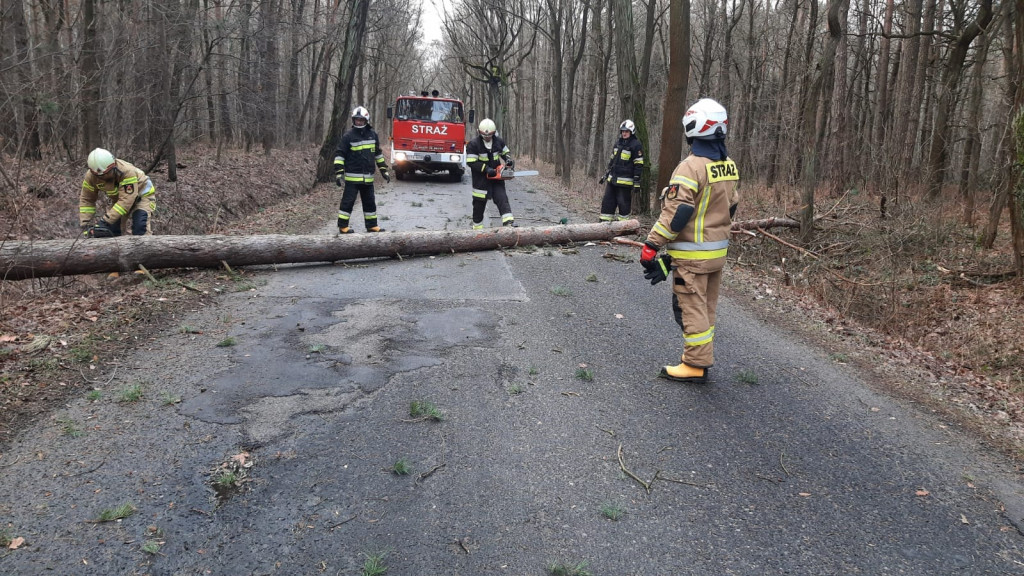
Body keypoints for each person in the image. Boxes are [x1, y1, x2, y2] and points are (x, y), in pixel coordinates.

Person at [640, 98, 739, 383]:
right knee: (706, 308)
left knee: (690, 307)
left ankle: (695, 364)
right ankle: (700, 357)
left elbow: (677, 212)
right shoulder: (728, 165)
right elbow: (731, 205)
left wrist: (652, 245)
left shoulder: (690, 167)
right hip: (717, 253)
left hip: (693, 258)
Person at [333, 106, 390, 234]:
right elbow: (340, 154)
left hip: (368, 178)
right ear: (353, 120)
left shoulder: (372, 135)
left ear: (366, 120)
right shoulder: (348, 136)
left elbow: (378, 155)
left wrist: (384, 171)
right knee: (347, 203)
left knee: (370, 203)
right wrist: (339, 172)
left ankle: (372, 226)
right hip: (352, 178)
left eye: (361, 120)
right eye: (356, 120)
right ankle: (343, 226)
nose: (359, 122)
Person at [79, 148, 156, 237]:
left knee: (140, 227)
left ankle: (146, 248)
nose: (110, 174)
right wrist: (86, 224)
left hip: (142, 196)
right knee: (111, 230)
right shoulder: (91, 177)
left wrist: (105, 221)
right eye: (105, 174)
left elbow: (126, 200)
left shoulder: (126, 171)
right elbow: (87, 200)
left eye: (111, 171)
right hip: (119, 199)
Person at [465, 118, 517, 229]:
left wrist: (508, 160)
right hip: (481, 180)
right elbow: (471, 162)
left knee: (502, 198)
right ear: (480, 132)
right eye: (485, 136)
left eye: (489, 136)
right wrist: (486, 168)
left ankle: (509, 223)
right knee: (479, 206)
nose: (487, 138)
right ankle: (477, 230)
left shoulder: (498, 141)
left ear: (494, 133)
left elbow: (505, 152)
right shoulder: (473, 144)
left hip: (496, 179)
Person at [599, 119, 644, 222]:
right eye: (623, 131)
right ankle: (603, 227)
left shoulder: (636, 145)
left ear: (631, 132)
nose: (624, 133)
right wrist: (606, 175)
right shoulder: (618, 143)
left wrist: (637, 182)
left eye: (626, 131)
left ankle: (622, 229)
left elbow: (639, 165)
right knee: (607, 203)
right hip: (612, 181)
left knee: (623, 206)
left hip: (625, 183)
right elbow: (612, 161)